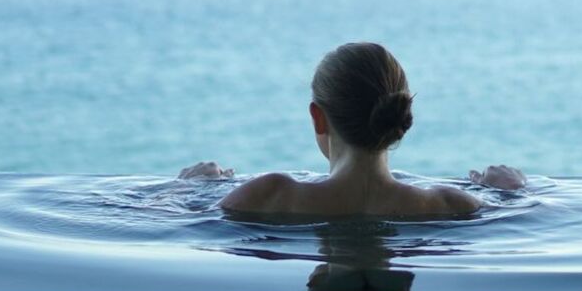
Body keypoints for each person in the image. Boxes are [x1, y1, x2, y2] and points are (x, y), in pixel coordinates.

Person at [179, 41, 526, 217]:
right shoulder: (450, 205)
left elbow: (166, 219)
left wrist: (190, 188)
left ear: (318, 117)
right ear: (400, 119)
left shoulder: (270, 196)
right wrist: (511, 192)